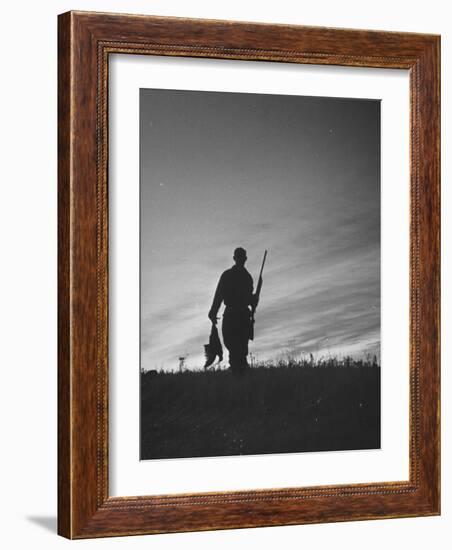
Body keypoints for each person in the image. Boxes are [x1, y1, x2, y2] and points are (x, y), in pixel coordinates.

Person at [208, 247, 257, 373]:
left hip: (238, 317)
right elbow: (219, 295)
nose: (240, 259)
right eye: (239, 257)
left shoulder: (244, 277)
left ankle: (238, 376)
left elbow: (248, 299)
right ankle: (239, 375)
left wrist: (253, 300)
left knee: (239, 350)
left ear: (244, 259)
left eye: (241, 257)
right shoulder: (234, 276)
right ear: (235, 258)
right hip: (235, 316)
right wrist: (213, 311)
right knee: (235, 348)